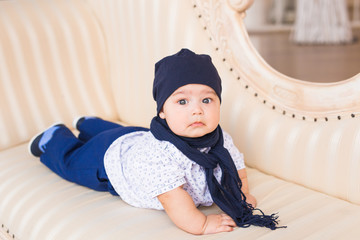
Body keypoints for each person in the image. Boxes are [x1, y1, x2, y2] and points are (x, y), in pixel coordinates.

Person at [29, 48, 282, 235]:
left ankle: (89, 123)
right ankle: (54, 137)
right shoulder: (160, 154)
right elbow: (174, 201)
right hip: (113, 162)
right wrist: (202, 224)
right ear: (162, 111)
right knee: (74, 162)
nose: (197, 111)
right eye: (182, 101)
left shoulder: (221, 140)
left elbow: (237, 170)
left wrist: (242, 194)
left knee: (122, 132)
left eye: (207, 100)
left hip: (135, 137)